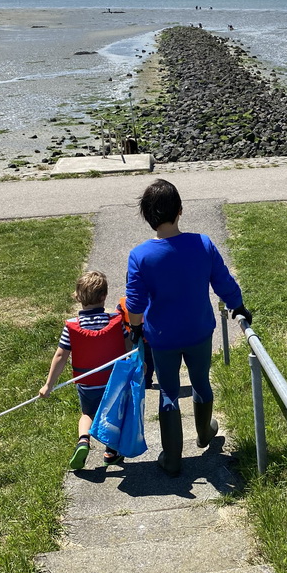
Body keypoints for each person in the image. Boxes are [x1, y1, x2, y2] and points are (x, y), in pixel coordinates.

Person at [125, 179, 251, 477]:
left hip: (162, 336)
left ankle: (172, 458)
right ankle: (205, 432)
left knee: (168, 391)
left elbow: (135, 302)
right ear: (180, 210)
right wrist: (238, 305)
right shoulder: (203, 244)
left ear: (147, 216)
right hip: (198, 330)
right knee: (201, 381)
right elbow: (223, 281)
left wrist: (135, 329)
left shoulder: (140, 256)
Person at [40, 270, 128, 469]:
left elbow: (61, 356)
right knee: (111, 415)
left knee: (87, 414)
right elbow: (128, 346)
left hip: (87, 384)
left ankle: (83, 441)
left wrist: (48, 385)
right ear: (104, 296)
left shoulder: (72, 326)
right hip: (112, 381)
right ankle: (110, 452)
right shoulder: (115, 321)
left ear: (78, 297)